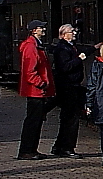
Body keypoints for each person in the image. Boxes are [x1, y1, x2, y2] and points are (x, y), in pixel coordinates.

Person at [17, 20, 56, 160]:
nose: (43, 29)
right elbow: (30, 71)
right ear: (34, 30)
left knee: (36, 120)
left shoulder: (35, 45)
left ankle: (31, 149)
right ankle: (27, 150)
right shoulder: (31, 47)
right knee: (33, 121)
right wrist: (41, 83)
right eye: (41, 27)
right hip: (35, 90)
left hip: (37, 90)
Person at [48, 24, 87, 158]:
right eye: (72, 31)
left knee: (67, 118)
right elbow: (64, 67)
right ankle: (67, 147)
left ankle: (58, 146)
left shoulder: (67, 47)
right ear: (64, 34)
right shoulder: (62, 49)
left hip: (70, 86)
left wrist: (94, 48)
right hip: (68, 86)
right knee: (71, 118)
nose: (75, 33)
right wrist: (79, 59)